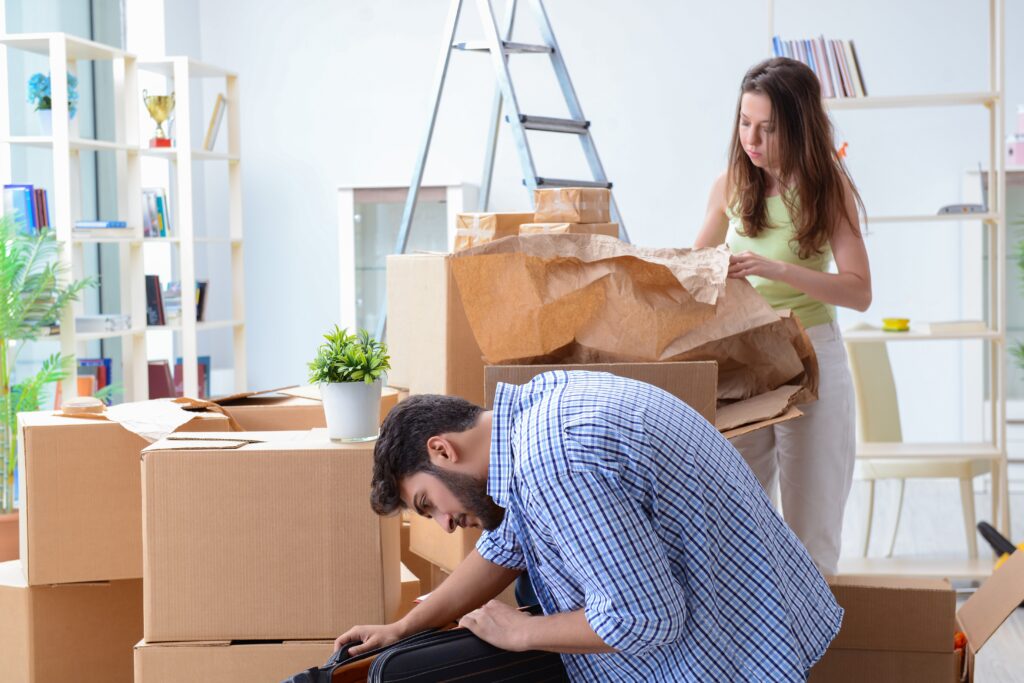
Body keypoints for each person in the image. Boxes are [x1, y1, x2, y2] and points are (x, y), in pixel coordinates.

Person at [336, 371, 842, 681]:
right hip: (756, 617)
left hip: (731, 656)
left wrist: (523, 631)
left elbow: (642, 619)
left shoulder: (553, 461)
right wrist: (404, 628)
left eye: (429, 504)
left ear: (442, 449)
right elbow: (507, 544)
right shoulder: (542, 408)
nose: (445, 526)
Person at [694, 57, 871, 575]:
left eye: (768, 128)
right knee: (735, 520)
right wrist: (715, 272)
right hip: (746, 359)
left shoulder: (826, 188)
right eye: (745, 124)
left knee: (810, 529)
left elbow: (860, 292)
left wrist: (778, 269)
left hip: (812, 352)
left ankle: (809, 652)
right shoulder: (730, 184)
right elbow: (694, 269)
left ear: (797, 127)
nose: (752, 138)